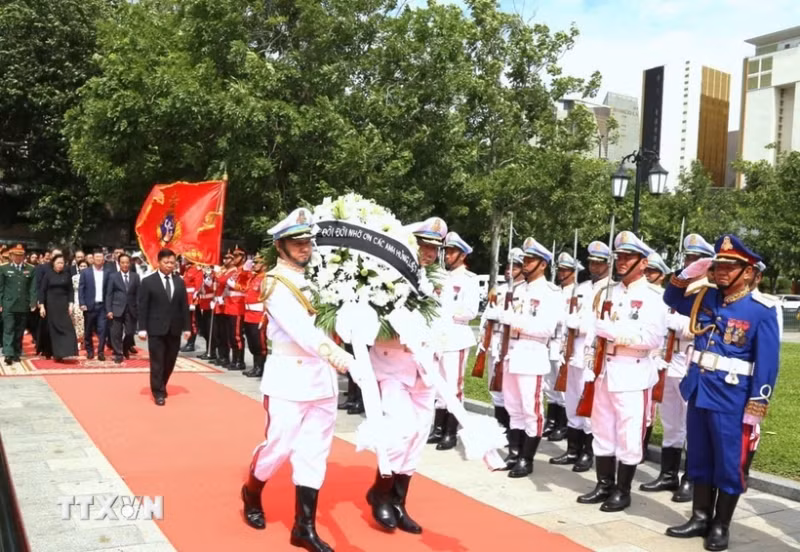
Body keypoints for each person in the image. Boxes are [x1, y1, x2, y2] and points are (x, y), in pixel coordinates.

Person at [240, 208, 354, 552]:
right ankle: (252, 490)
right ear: (280, 246)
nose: (305, 248)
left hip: (321, 379)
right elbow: (302, 330)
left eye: (308, 241)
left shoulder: (321, 277)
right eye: (297, 242)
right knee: (279, 447)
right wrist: (338, 356)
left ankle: (303, 527)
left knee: (314, 452)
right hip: (289, 378)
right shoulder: (275, 283)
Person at [664, 235, 779, 551]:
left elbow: (768, 363)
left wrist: (757, 404)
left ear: (748, 272)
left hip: (733, 398)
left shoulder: (762, 310)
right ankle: (700, 517)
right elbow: (671, 298)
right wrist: (689, 272)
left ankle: (720, 525)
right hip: (700, 390)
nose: (722, 271)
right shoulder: (707, 297)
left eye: (730, 266)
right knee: (699, 456)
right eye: (719, 265)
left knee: (729, 463)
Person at [365, 216, 447, 534]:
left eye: (434, 248)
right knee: (399, 431)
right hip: (393, 365)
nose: (429, 253)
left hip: (425, 369)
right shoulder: (386, 276)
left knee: (418, 435)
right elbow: (369, 327)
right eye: (423, 245)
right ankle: (380, 492)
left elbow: (442, 321)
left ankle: (398, 501)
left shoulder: (436, 280)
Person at [577, 231, 666, 513]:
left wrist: (614, 333)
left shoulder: (653, 296)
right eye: (620, 257)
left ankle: (622, 490)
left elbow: (653, 338)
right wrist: (590, 362)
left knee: (629, 433)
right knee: (602, 429)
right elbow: (593, 332)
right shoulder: (607, 292)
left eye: (629, 257)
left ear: (643, 262)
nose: (622, 262)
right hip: (604, 370)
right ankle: (604, 484)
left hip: (632, 371)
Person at [640, 234, 715, 502]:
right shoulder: (678, 289)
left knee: (690, 424)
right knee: (671, 421)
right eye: (688, 258)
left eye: (696, 259)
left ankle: (690, 479)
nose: (690, 264)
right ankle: (668, 473)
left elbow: (705, 328)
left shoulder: (708, 291)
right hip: (668, 360)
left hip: (690, 360)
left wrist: (680, 325)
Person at [489, 237, 560, 478]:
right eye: (525, 260)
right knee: (513, 407)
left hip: (532, 354)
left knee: (531, 410)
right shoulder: (517, 290)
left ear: (543, 264)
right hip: (511, 353)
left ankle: (526, 459)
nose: (526, 264)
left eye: (530, 260)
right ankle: (514, 452)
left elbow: (547, 328)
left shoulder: (551, 293)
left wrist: (516, 322)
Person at [426, 231, 480, 450]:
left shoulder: (470, 280)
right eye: (446, 251)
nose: (447, 256)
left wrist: (446, 311)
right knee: (438, 385)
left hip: (456, 337)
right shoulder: (440, 277)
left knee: (453, 386)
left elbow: (470, 311)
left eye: (451, 252)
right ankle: (438, 428)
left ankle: (450, 431)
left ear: (462, 255)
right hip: (438, 337)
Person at [549, 251, 593, 470]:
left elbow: (600, 323)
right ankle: (573, 449)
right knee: (572, 402)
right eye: (593, 262)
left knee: (587, 404)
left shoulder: (605, 291)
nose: (595, 266)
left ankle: (587, 452)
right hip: (570, 351)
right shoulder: (580, 289)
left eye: (599, 263)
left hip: (588, 353)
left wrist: (581, 325)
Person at [478, 248, 525, 434]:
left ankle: (514, 428)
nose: (508, 271)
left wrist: (500, 314)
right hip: (495, 342)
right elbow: (485, 318)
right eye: (507, 267)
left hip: (513, 344)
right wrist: (483, 339)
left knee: (512, 391)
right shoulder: (498, 290)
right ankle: (501, 426)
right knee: (496, 388)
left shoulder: (526, 292)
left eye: (514, 267)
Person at [137, 249, 191, 405]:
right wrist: (142, 328)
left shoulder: (179, 281)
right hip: (156, 328)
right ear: (159, 262)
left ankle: (162, 383)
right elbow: (143, 307)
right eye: (166, 262)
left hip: (174, 328)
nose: (169, 265)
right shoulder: (148, 282)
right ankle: (158, 392)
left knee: (170, 361)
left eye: (172, 263)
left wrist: (187, 328)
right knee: (157, 361)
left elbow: (184, 306)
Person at [36, 254, 78, 362]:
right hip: (51, 304)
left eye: (62, 263)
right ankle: (56, 353)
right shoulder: (48, 275)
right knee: (54, 329)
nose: (60, 265)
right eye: (58, 263)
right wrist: (42, 306)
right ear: (53, 263)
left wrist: (71, 304)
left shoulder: (66, 275)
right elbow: (42, 291)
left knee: (67, 328)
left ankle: (66, 351)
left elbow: (70, 291)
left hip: (63, 304)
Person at [0, 244, 37, 365]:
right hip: (8, 304)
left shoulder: (30, 269)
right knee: (8, 329)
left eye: (20, 255)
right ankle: (8, 354)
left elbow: (33, 288)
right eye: (15, 255)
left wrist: (33, 302)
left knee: (19, 330)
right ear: (11, 256)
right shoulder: (4, 268)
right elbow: (1, 287)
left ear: (24, 256)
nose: (18, 258)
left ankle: (16, 352)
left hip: (23, 304)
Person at [105, 253, 140, 363]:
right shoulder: (113, 276)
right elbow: (109, 294)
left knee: (130, 332)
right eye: (123, 263)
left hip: (131, 309)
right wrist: (109, 310)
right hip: (116, 308)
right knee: (116, 333)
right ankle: (118, 353)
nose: (125, 265)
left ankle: (125, 347)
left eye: (127, 263)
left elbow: (138, 294)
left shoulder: (135, 276)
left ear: (130, 263)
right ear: (119, 264)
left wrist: (139, 308)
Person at [79, 251, 111, 360]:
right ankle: (90, 351)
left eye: (100, 257)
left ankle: (101, 352)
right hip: (89, 306)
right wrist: (82, 303)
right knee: (88, 330)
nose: (98, 259)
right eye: (96, 257)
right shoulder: (85, 272)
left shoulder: (107, 272)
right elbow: (81, 288)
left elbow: (109, 290)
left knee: (103, 330)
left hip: (102, 306)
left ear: (103, 259)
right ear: (92, 259)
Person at [241, 253, 268, 378]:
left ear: (264, 264)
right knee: (252, 342)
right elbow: (242, 278)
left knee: (259, 343)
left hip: (258, 315)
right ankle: (255, 366)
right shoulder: (254, 277)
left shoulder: (265, 279)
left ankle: (260, 368)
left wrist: (264, 316)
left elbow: (267, 299)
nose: (254, 265)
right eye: (254, 262)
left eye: (257, 262)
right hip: (249, 315)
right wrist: (245, 267)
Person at [180, 259, 203, 352]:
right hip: (185, 298)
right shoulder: (187, 269)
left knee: (192, 322)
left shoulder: (197, 269)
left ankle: (191, 344)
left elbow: (198, 286)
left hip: (191, 299)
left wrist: (194, 301)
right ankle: (188, 342)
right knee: (187, 322)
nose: (184, 259)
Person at [71, 259, 89, 350]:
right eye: (81, 266)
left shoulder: (91, 277)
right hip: (76, 299)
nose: (83, 268)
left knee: (85, 321)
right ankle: (77, 340)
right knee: (76, 320)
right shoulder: (74, 277)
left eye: (84, 266)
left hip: (87, 299)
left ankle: (85, 340)